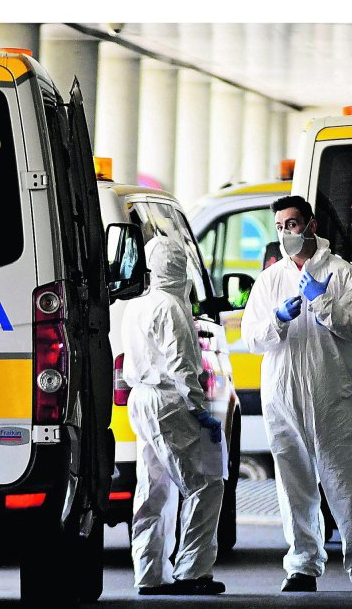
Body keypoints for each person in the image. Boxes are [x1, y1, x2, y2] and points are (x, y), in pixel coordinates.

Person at [241, 194, 352, 593]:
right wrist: (278, 319)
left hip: (331, 398)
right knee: (294, 486)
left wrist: (320, 300)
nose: (286, 233)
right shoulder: (270, 280)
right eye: (280, 227)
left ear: (311, 226)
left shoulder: (340, 274)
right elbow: (250, 338)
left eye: (292, 224)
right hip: (283, 400)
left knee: (346, 483)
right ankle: (303, 565)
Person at [122, 235, 226, 596]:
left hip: (141, 399)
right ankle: (193, 572)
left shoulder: (135, 306)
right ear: (179, 268)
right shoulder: (171, 308)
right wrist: (200, 412)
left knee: (153, 488)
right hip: (169, 403)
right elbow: (182, 366)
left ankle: (148, 573)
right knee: (205, 484)